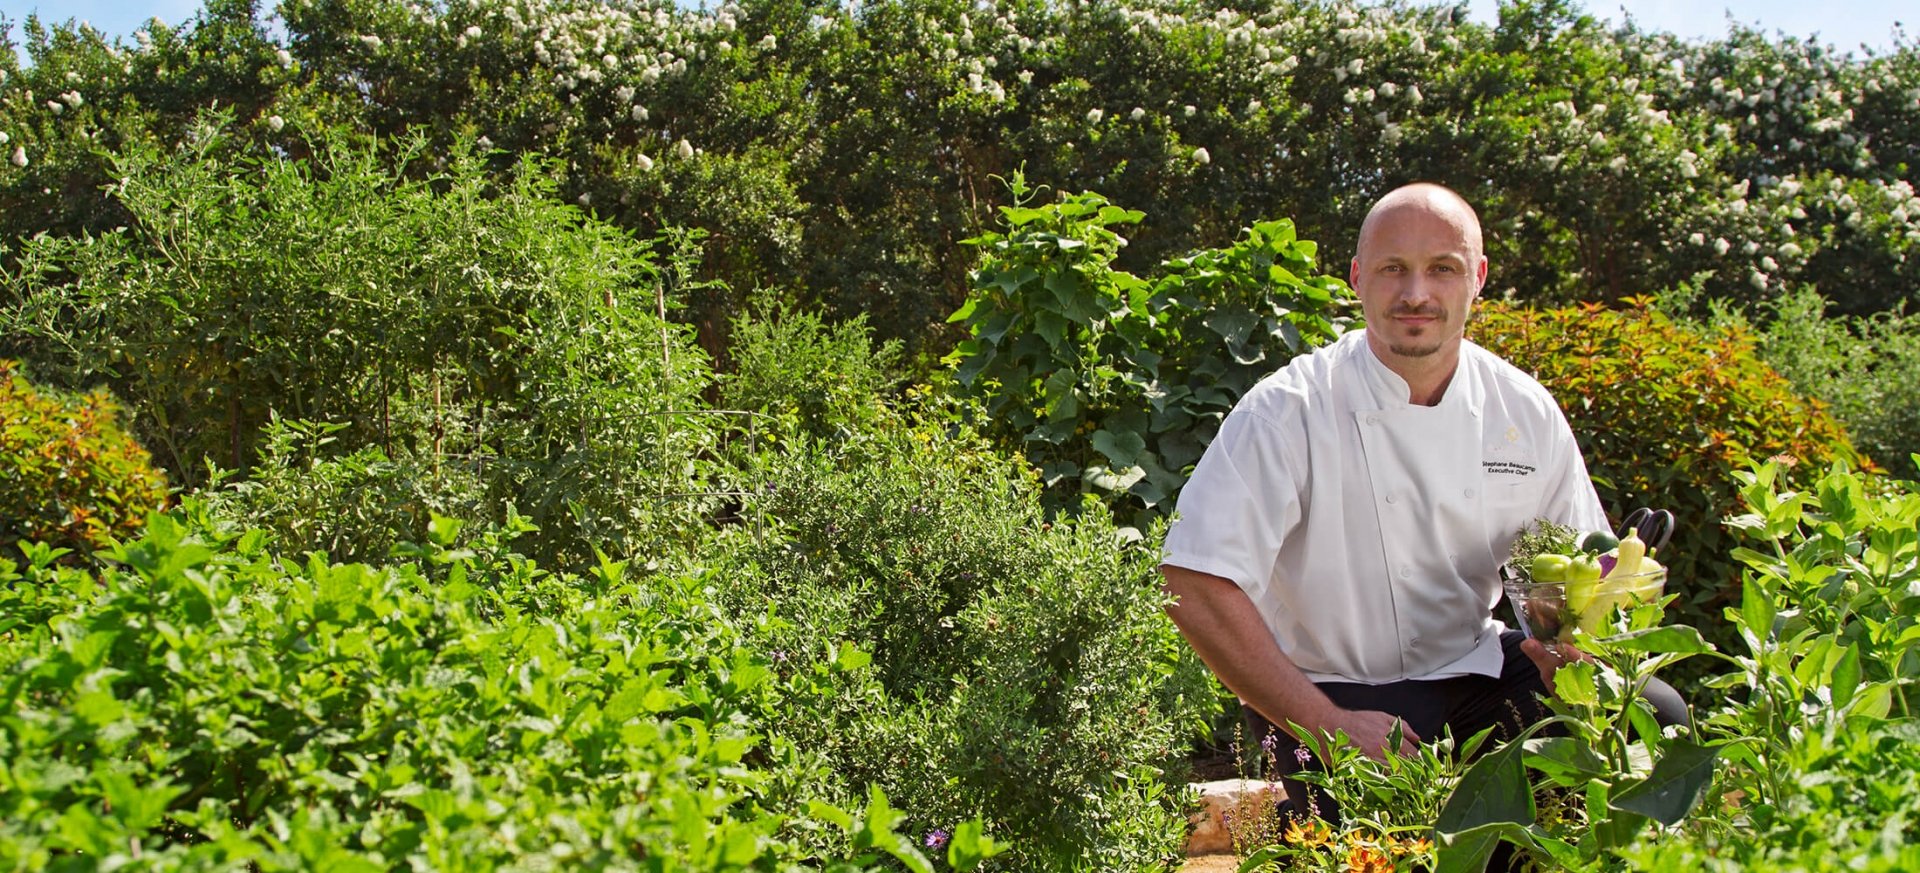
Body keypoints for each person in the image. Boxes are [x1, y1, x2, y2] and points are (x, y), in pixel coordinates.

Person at [1158, 182, 1684, 822]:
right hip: (1330, 693)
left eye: (1442, 269)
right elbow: (1194, 580)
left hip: (1476, 673)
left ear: (1478, 278)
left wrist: (1569, 652)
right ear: (1357, 278)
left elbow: (1581, 569)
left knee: (1652, 712)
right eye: (1393, 269)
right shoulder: (1286, 412)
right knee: (1380, 850)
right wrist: (1326, 725)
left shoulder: (1522, 409)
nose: (1416, 294)